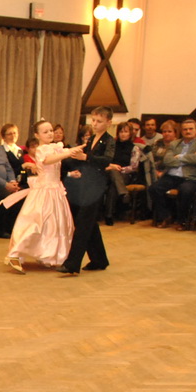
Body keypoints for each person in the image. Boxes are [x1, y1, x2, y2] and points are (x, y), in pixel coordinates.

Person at [0, 120, 78, 273]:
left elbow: (64, 159)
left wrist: (77, 152)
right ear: (37, 135)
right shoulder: (41, 150)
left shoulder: (56, 147)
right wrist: (68, 153)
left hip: (56, 190)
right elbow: (48, 160)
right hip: (44, 191)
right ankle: (15, 254)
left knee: (54, 225)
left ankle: (49, 255)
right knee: (35, 223)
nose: (50, 134)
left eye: (51, 131)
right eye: (45, 132)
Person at [59, 106, 114, 275]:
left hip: (97, 186)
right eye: (94, 120)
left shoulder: (109, 140)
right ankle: (99, 259)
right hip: (85, 185)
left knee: (83, 224)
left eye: (99, 121)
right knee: (89, 223)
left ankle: (72, 264)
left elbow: (107, 160)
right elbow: (83, 160)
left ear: (109, 123)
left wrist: (86, 157)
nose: (95, 124)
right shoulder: (91, 140)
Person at [148, 117, 196, 230]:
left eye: (191, 129)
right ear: (181, 131)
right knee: (154, 188)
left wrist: (179, 157)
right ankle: (165, 216)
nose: (188, 131)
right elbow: (167, 160)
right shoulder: (174, 144)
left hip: (191, 177)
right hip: (172, 175)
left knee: (185, 190)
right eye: (185, 129)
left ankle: (182, 221)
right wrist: (190, 158)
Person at [104, 121, 141, 224]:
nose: (123, 134)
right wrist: (113, 166)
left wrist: (120, 169)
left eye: (126, 132)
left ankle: (109, 215)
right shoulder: (112, 146)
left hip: (125, 174)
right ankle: (124, 193)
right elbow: (105, 160)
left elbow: (134, 166)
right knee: (113, 171)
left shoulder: (134, 148)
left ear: (130, 133)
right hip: (108, 172)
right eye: (121, 131)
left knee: (113, 187)